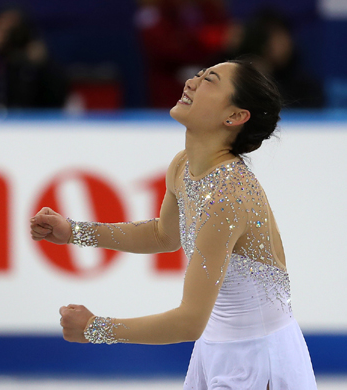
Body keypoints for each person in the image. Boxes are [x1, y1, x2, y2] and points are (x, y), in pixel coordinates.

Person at [29, 59, 317, 389]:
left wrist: (96, 328)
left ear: (235, 116)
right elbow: (163, 235)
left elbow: (189, 321)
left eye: (210, 80)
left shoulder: (228, 195)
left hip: (257, 358)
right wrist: (75, 232)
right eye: (198, 74)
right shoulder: (183, 166)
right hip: (213, 347)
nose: (192, 81)